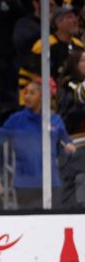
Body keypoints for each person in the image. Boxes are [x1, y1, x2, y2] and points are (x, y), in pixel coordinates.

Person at [0, 80, 77, 209]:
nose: (26, 96)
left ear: (43, 97)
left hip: (51, 183)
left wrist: (69, 148)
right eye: (25, 93)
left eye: (32, 93)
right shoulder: (16, 119)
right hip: (25, 185)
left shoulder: (55, 120)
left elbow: (65, 144)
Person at [56, 50, 85, 208]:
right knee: (73, 191)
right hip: (75, 144)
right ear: (75, 65)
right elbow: (81, 94)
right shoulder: (69, 83)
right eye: (84, 60)